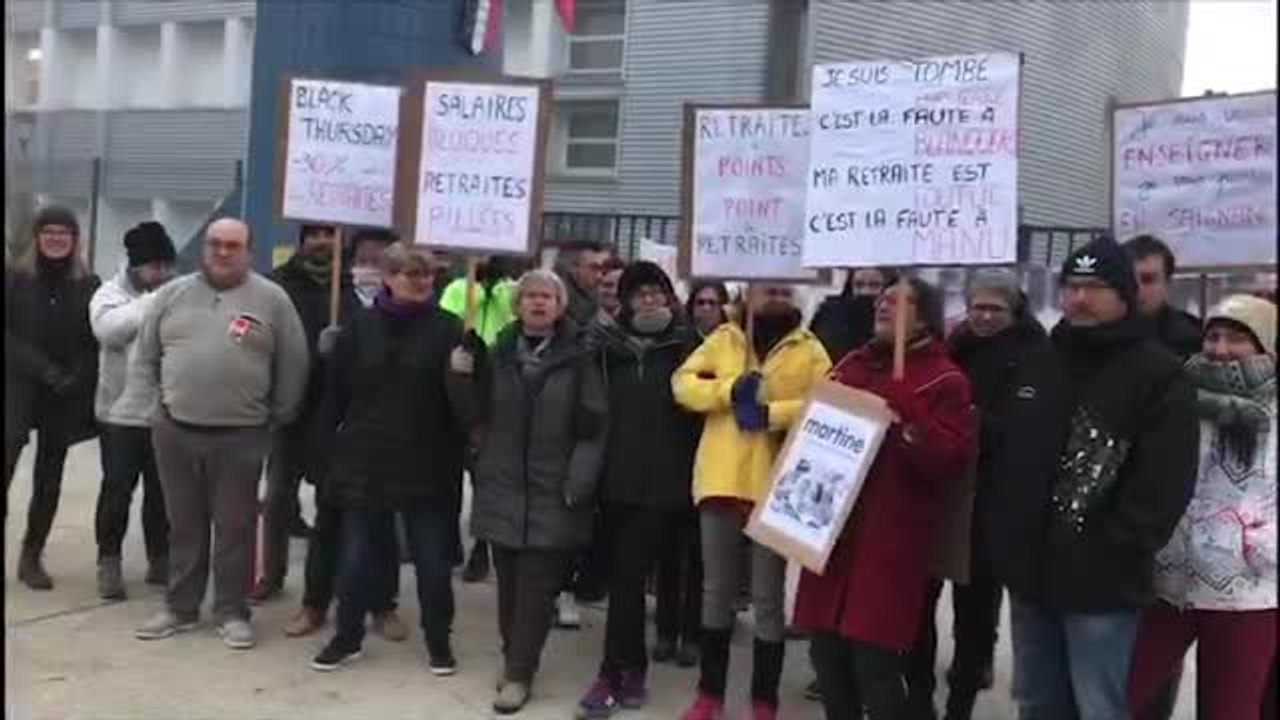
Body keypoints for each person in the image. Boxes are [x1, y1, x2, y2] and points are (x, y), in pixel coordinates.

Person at [985, 236, 1199, 718]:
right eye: (1072, 286)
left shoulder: (1160, 375)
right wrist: (1008, 542)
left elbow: (1163, 486)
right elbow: (1009, 459)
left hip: (1102, 589)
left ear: (1123, 295)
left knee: (1100, 707)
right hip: (1030, 581)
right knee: (1038, 703)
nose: (1080, 298)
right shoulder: (1041, 360)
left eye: (1096, 287)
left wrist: (1114, 548)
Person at [125, 217, 310, 650]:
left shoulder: (272, 300)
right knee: (184, 525)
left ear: (249, 251)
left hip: (241, 436)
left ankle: (231, 611)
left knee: (235, 527)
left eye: (232, 245)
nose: (222, 252)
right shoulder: (171, 295)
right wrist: (157, 409)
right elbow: (146, 356)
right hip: (175, 430)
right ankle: (180, 607)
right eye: (214, 244)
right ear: (203, 248)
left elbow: (294, 364)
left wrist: (276, 416)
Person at [795, 277, 975, 720]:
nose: (884, 305)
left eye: (899, 300)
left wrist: (908, 417)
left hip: (888, 546)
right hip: (833, 541)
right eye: (882, 298)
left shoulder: (944, 379)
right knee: (828, 659)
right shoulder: (850, 366)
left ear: (925, 316)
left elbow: (949, 462)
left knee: (874, 666)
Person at [308, 243, 474, 674]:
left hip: (428, 461)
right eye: (407, 274)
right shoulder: (359, 329)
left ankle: (440, 641)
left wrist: (469, 371)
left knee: (433, 563)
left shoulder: (451, 329)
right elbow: (335, 398)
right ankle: (347, 637)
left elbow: (468, 409)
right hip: (366, 459)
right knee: (356, 557)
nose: (418, 282)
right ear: (387, 277)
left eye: (425, 276)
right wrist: (324, 451)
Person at [673, 283, 831, 720]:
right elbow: (682, 385)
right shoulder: (726, 338)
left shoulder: (810, 348)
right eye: (768, 289)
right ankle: (709, 694)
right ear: (751, 293)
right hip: (721, 478)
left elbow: (826, 405)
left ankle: (764, 700)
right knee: (716, 592)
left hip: (776, 488)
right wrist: (728, 390)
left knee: (767, 599)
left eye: (784, 289)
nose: (776, 296)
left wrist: (771, 413)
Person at [905, 270, 1048, 720]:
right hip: (939, 492)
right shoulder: (952, 347)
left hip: (990, 502)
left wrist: (972, 421)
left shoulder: (1035, 355)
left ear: (1014, 309)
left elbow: (1029, 430)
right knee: (917, 605)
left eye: (995, 309)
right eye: (977, 307)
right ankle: (917, 695)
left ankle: (960, 705)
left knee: (975, 616)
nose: (984, 317)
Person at [1128, 294, 1277, 718]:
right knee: (1116, 693)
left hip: (1248, 594)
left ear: (1266, 345)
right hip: (1168, 583)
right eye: (1213, 336)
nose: (1220, 348)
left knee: (1229, 710)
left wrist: (1255, 542)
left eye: (1237, 338)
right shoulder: (1178, 400)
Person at [469, 269, 607, 715]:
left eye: (547, 296)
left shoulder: (582, 356)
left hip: (554, 488)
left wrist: (579, 480)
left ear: (560, 305)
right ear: (518, 305)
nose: (538, 303)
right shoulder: (497, 353)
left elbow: (595, 426)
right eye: (530, 296)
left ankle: (519, 673)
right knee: (507, 582)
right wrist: (459, 374)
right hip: (503, 485)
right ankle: (515, 658)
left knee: (535, 588)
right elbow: (473, 413)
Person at [576, 262, 700, 718]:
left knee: (629, 577)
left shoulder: (689, 347)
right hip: (617, 483)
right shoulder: (606, 349)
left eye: (656, 292)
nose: (648, 301)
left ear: (669, 297)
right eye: (639, 294)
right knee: (624, 581)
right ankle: (630, 672)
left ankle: (613, 674)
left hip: (667, 487)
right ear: (624, 301)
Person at [283, 226, 404, 640]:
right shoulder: (329, 302)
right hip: (335, 432)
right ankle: (315, 603)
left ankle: (383, 605)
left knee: (383, 526)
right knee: (328, 524)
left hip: (386, 436)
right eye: (365, 257)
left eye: (381, 259)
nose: (371, 267)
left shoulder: (405, 307)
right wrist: (323, 355)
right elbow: (302, 366)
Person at [252, 223, 350, 604]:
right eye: (316, 234)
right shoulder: (276, 284)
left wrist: (340, 349)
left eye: (331, 235)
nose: (323, 241)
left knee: (332, 499)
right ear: (303, 240)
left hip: (333, 409)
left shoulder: (350, 289)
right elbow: (254, 331)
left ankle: (326, 581)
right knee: (278, 496)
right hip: (288, 405)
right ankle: (270, 575)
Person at [5, 206, 101, 590]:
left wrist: (75, 375)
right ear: (37, 237)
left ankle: (32, 556)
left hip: (64, 395)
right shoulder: (15, 280)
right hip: (18, 388)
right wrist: (42, 369)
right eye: (49, 231)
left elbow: (93, 339)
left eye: (65, 232)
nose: (57, 238)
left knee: (49, 480)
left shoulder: (89, 284)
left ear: (75, 240)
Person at [90, 221, 178, 600]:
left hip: (165, 413)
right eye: (153, 267)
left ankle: (161, 557)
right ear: (135, 265)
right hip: (119, 415)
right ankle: (108, 559)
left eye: (165, 266)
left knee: (162, 494)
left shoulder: (177, 293)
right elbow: (108, 330)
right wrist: (151, 303)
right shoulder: (109, 294)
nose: (160, 274)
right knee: (117, 491)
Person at [438, 255, 519, 584]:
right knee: (450, 476)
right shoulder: (458, 288)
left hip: (494, 381)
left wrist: (496, 293)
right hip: (461, 378)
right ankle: (451, 544)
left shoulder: (510, 290)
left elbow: (514, 321)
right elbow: (448, 320)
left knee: (485, 478)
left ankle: (481, 548)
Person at [1124, 234, 1202, 359]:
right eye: (1128, 279)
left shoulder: (1193, 338)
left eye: (1148, 280)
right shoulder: (1096, 336)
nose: (1136, 289)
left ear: (1167, 284)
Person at [809, 267, 896, 363]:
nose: (865, 291)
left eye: (874, 285)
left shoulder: (896, 319)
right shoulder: (831, 316)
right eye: (859, 285)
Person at [554, 239, 611, 327]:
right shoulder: (553, 307)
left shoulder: (600, 301)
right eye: (594, 268)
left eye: (603, 269)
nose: (600, 276)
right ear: (572, 267)